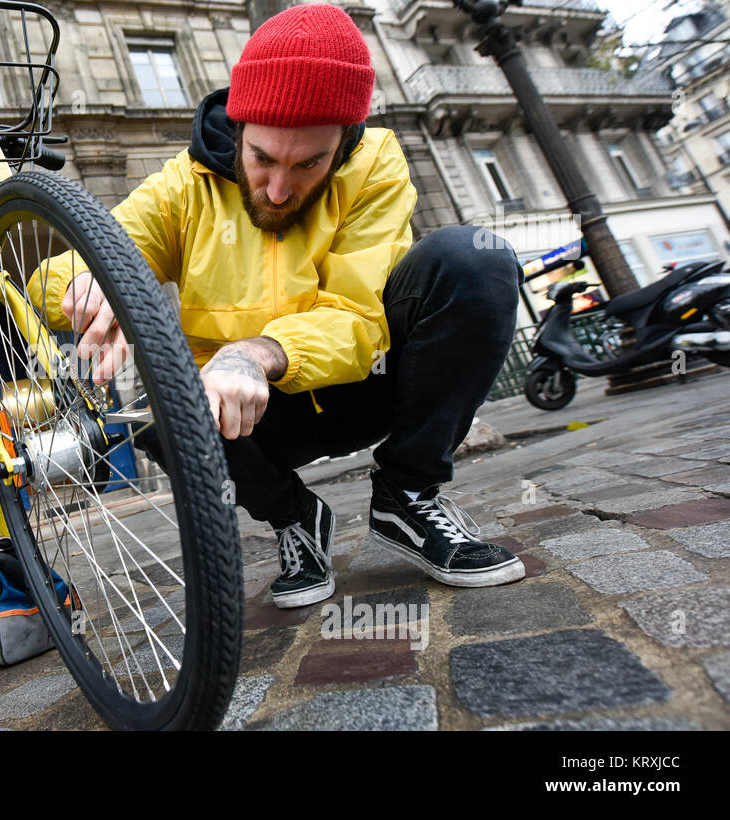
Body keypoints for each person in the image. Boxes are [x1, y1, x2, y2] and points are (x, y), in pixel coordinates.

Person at [32, 3, 525, 608]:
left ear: (343, 143)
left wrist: (255, 353)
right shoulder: (182, 186)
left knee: (474, 256)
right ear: (238, 129)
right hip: (250, 422)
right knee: (156, 409)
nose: (278, 189)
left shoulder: (376, 165)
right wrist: (85, 282)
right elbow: (65, 264)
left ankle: (409, 494)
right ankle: (294, 517)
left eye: (309, 164)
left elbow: (354, 315)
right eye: (262, 157)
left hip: (366, 384)